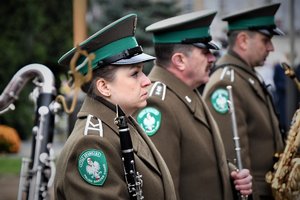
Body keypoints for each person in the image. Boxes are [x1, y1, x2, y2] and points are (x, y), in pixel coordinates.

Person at [54, 14, 177, 200]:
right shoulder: (91, 144)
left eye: (142, 72)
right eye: (134, 74)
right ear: (103, 87)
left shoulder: (121, 121)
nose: (146, 81)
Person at [134, 10, 252, 200]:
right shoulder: (158, 103)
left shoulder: (187, 91)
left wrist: (232, 175)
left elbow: (198, 160)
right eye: (205, 52)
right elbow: (163, 188)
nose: (213, 58)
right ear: (179, 60)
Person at [202, 3, 285, 199]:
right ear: (243, 40)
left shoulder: (245, 76)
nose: (271, 47)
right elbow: (234, 158)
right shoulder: (226, 83)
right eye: (266, 40)